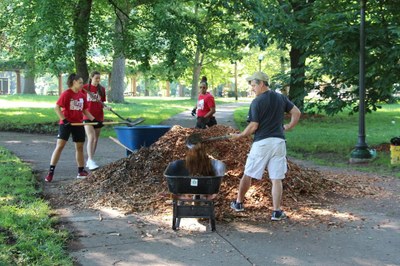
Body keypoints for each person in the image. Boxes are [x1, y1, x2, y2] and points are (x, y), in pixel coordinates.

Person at [229, 71, 301, 221]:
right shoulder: (281, 97)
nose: (252, 88)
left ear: (261, 84)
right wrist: (289, 126)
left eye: (254, 85)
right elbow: (296, 112)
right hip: (279, 143)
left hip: (262, 143)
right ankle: (276, 212)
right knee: (276, 178)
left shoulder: (257, 102)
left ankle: (238, 203)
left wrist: (240, 135)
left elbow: (254, 126)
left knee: (248, 173)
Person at [45, 73, 96, 182]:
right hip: (66, 124)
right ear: (74, 82)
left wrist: (94, 120)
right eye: (80, 82)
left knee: (79, 147)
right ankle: (50, 172)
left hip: (78, 124)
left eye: (83, 82)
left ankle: (81, 171)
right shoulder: (67, 94)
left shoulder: (82, 95)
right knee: (60, 146)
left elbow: (85, 110)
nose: (82, 84)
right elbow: (57, 108)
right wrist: (64, 120)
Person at [82, 71, 110, 170]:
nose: (98, 80)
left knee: (95, 140)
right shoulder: (84, 88)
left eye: (99, 78)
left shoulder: (102, 89)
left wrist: (106, 107)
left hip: (98, 116)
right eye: (96, 78)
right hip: (87, 116)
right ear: (91, 77)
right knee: (91, 137)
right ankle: (90, 160)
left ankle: (90, 159)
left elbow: (101, 102)